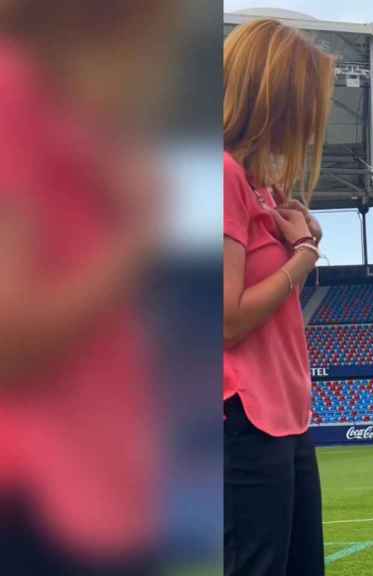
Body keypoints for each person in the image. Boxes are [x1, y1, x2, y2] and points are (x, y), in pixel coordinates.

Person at [0, 2, 176, 574]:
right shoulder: (13, 90)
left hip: (87, 497)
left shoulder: (53, 104)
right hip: (47, 497)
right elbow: (12, 340)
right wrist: (137, 236)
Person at [222, 18, 334, 576]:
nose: (309, 125)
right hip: (241, 415)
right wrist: (304, 256)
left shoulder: (254, 183)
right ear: (274, 98)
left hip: (283, 417)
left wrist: (297, 235)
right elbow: (224, 322)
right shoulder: (215, 175)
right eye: (305, 104)